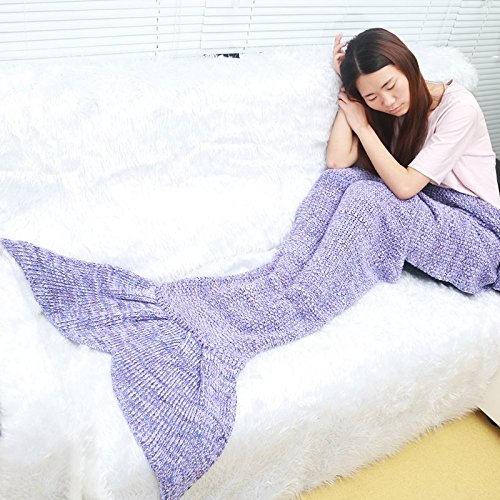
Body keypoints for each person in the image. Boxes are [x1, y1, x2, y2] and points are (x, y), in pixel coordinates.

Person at [326, 28, 500, 208]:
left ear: (408, 65)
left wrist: (363, 128)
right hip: (424, 200)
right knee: (336, 181)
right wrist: (350, 89)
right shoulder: (383, 110)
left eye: (390, 86)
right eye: (371, 97)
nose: (388, 101)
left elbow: (405, 187)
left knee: (364, 196)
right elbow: (337, 161)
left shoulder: (460, 109)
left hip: (470, 210)